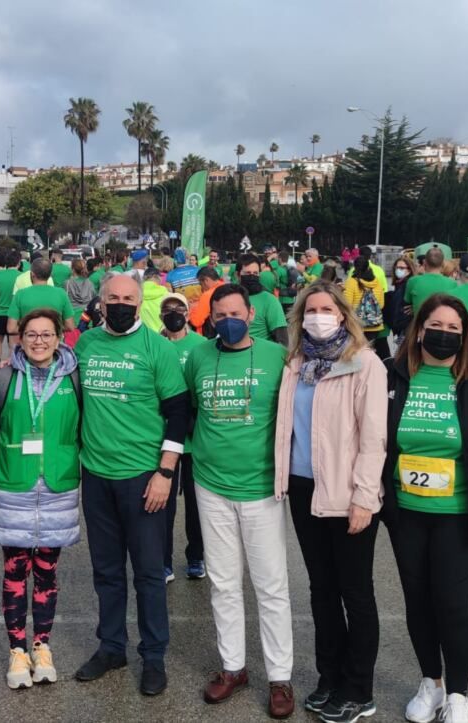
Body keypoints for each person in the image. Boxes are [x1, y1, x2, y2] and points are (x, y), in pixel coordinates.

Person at [273, 281, 387, 721]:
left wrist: (364, 497)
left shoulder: (363, 364)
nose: (319, 316)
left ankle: (359, 688)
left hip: (347, 493)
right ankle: (330, 677)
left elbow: (374, 439)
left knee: (355, 592)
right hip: (304, 490)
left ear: (343, 314)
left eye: (327, 309)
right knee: (321, 590)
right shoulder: (296, 363)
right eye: (311, 309)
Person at [72, 273, 191, 696]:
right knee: (106, 571)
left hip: (144, 477)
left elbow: (179, 413)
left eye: (128, 298)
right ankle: (111, 647)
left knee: (148, 574)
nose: (119, 304)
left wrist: (165, 473)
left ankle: (154, 656)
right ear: (100, 302)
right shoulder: (85, 344)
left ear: (140, 304)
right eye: (112, 298)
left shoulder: (156, 348)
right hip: (97, 475)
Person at [382, 294, 468, 723]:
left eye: (454, 328)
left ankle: (460, 694)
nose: (443, 334)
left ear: (465, 336)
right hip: (406, 511)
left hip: (459, 513)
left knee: (452, 604)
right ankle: (431, 683)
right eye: (436, 324)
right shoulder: (394, 374)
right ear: (419, 328)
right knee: (417, 602)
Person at [183, 284, 295, 719]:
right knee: (224, 583)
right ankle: (233, 667)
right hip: (210, 485)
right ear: (210, 320)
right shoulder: (197, 356)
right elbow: (192, 406)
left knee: (271, 586)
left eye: (235, 312)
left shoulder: (275, 357)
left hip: (262, 489)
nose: (227, 320)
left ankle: (279, 676)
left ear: (251, 314)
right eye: (219, 314)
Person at [0, 309, 82, 690]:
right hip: (14, 484)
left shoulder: (74, 376)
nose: (39, 341)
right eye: (31, 334)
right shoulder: (5, 375)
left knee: (46, 571)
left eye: (46, 334)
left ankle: (42, 646)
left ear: (59, 338)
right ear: (19, 339)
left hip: (58, 484)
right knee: (14, 571)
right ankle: (17, 650)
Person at [159, 294, 207, 581]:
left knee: (195, 502)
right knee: (161, 504)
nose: (174, 314)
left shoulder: (201, 346)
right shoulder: (153, 343)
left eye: (179, 309)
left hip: (194, 436)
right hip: (162, 436)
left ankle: (196, 557)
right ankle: (163, 561)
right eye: (168, 310)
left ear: (188, 314)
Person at [7, 259, 75, 335]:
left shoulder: (20, 294)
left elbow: (11, 328)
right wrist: (51, 330)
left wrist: (30, 331)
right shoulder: (61, 293)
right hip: (53, 342)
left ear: (32, 274)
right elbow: (70, 325)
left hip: (29, 342)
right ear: (50, 275)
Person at [237, 253, 288, 345]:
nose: (252, 276)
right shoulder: (230, 298)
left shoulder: (269, 300)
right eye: (248, 273)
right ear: (238, 275)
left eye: (255, 273)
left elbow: (282, 339)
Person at [344, 256, 387, 360]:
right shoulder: (376, 282)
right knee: (369, 352)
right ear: (368, 266)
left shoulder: (351, 281)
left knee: (356, 353)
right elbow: (381, 304)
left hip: (356, 324)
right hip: (374, 326)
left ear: (354, 267)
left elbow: (346, 304)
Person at [0, 250, 23, 363]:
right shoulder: (22, 277)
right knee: (13, 342)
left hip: (0, 313)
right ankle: (11, 363)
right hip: (15, 315)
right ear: (18, 263)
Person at [404, 247, 456, 313]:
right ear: (443, 264)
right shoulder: (452, 284)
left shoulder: (413, 281)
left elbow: (408, 302)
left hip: (419, 322)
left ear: (424, 262)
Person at [385, 255, 418, 341]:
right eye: (396, 267)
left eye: (402, 268)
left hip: (405, 327)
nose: (398, 270)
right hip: (400, 327)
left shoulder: (409, 284)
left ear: (409, 270)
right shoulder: (398, 284)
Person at [189, 266, 225, 336]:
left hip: (208, 336)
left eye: (200, 284)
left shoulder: (207, 295)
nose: (201, 287)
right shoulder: (227, 287)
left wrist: (191, 308)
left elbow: (196, 321)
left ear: (206, 280)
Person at [65, 257, 96, 325]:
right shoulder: (90, 283)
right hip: (87, 319)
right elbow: (94, 299)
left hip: (72, 321)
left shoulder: (67, 283)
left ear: (72, 269)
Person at [139, 267, 170, 332]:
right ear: (155, 276)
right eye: (160, 276)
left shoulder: (137, 293)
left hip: (144, 333)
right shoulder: (164, 292)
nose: (161, 279)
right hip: (162, 333)